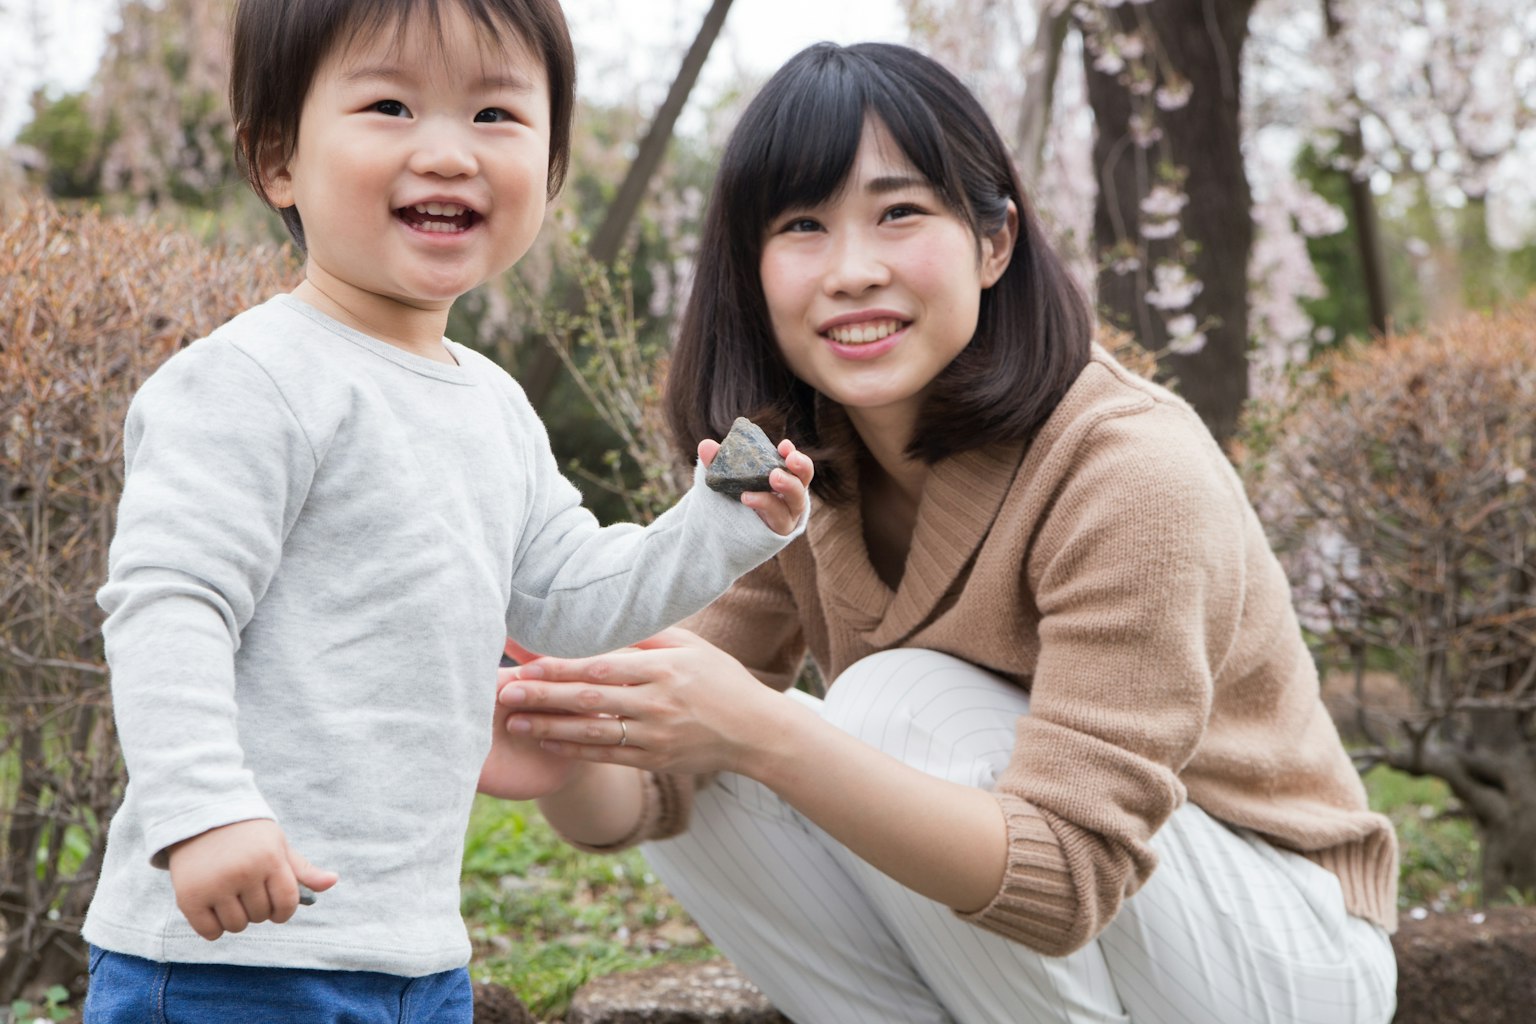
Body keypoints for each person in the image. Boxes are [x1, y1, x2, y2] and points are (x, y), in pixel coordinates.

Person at [480, 41, 1400, 1024]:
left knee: (885, 704)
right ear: (750, 273)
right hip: (1092, 939)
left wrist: (763, 726)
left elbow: (1068, 877)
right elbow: (652, 794)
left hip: (1278, 942)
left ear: (994, 240)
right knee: (672, 718)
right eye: (802, 225)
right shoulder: (791, 463)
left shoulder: (1126, 468)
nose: (852, 270)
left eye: (899, 212)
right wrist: (567, 741)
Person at [80, 1, 814, 1021]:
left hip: (415, 950)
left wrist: (719, 527)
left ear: (552, 164)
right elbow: (170, 605)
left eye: (495, 115)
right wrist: (204, 810)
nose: (446, 152)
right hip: (233, 955)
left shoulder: (492, 404)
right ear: (278, 159)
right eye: (389, 104)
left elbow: (566, 599)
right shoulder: (251, 379)